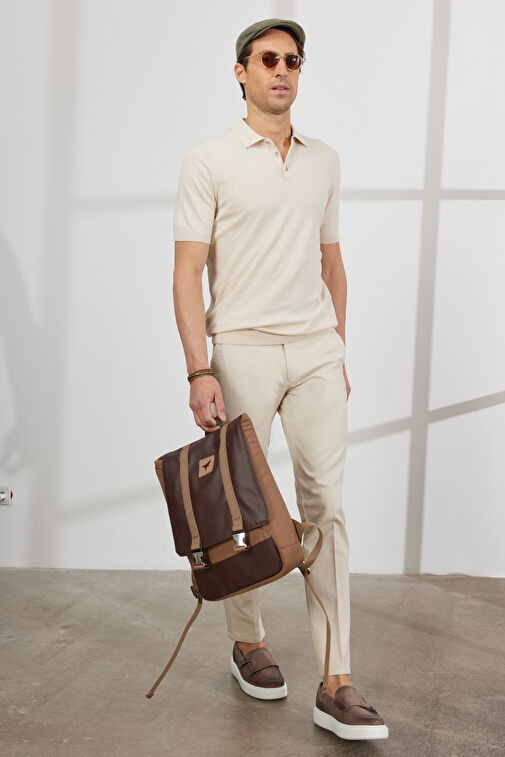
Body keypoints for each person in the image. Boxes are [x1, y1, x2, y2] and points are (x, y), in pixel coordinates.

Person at [172, 17, 389, 742]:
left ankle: (337, 679)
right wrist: (199, 367)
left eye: (292, 61)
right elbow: (186, 271)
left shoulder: (323, 160)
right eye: (268, 60)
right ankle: (248, 640)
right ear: (241, 72)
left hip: (316, 351)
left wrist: (338, 348)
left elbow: (333, 262)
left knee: (326, 505)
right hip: (241, 350)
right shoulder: (209, 158)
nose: (282, 71)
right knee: (243, 508)